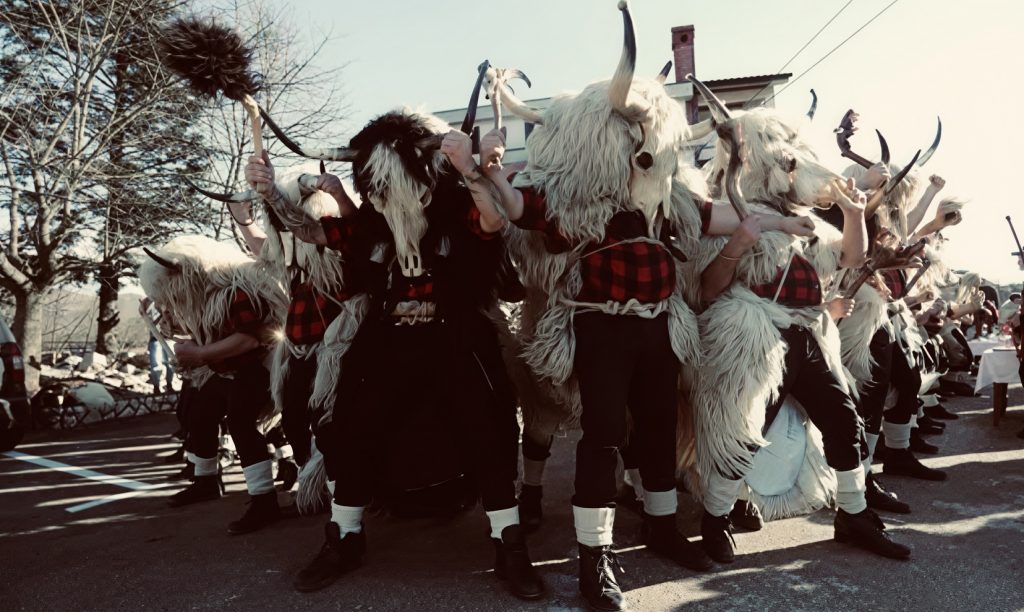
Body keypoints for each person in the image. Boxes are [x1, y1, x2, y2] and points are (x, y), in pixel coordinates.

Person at [247, 109, 544, 601]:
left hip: (458, 335)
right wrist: (270, 193)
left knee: (488, 425)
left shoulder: (457, 206)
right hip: (387, 339)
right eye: (380, 191)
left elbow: (493, 220)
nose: (392, 201)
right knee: (351, 425)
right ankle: (344, 537)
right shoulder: (372, 222)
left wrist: (470, 169)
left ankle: (509, 544)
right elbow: (311, 232)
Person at [139, 236, 289, 535]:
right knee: (199, 414)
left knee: (241, 423)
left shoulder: (236, 292)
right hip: (225, 370)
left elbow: (252, 338)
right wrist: (168, 327)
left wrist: (199, 355)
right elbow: (202, 334)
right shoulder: (203, 298)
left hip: (257, 368)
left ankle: (264, 500)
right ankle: (206, 481)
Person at [139, 297, 174, 394]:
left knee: (170, 363)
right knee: (156, 364)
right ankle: (156, 388)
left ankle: (169, 385)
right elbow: (144, 315)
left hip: (168, 338)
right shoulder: (147, 302)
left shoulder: (166, 298)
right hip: (155, 339)